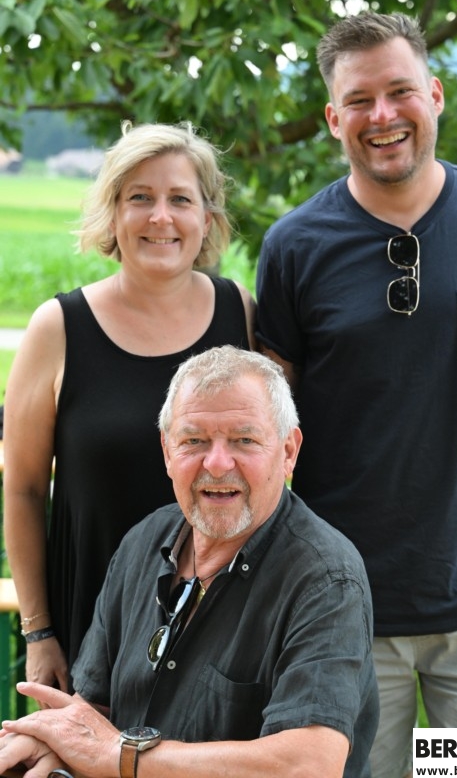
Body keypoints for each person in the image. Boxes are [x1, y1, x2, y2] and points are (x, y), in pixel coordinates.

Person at [255, 10, 457, 778]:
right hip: (342, 614)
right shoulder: (293, 246)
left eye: (399, 91)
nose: (381, 116)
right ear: (331, 118)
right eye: (358, 100)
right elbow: (268, 431)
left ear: (434, 95)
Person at [0, 346, 378, 778]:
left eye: (244, 440)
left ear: (288, 451)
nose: (216, 464)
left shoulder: (326, 580)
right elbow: (94, 713)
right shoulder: (143, 542)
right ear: (167, 451)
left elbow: (310, 765)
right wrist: (47, 741)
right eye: (193, 441)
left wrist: (122, 756)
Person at [3, 121, 255, 693]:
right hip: (92, 622)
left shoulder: (239, 313)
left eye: (180, 199)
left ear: (207, 217)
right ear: (112, 214)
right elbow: (23, 491)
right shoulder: (57, 329)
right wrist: (39, 632)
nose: (160, 217)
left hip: (224, 628)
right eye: (140, 197)